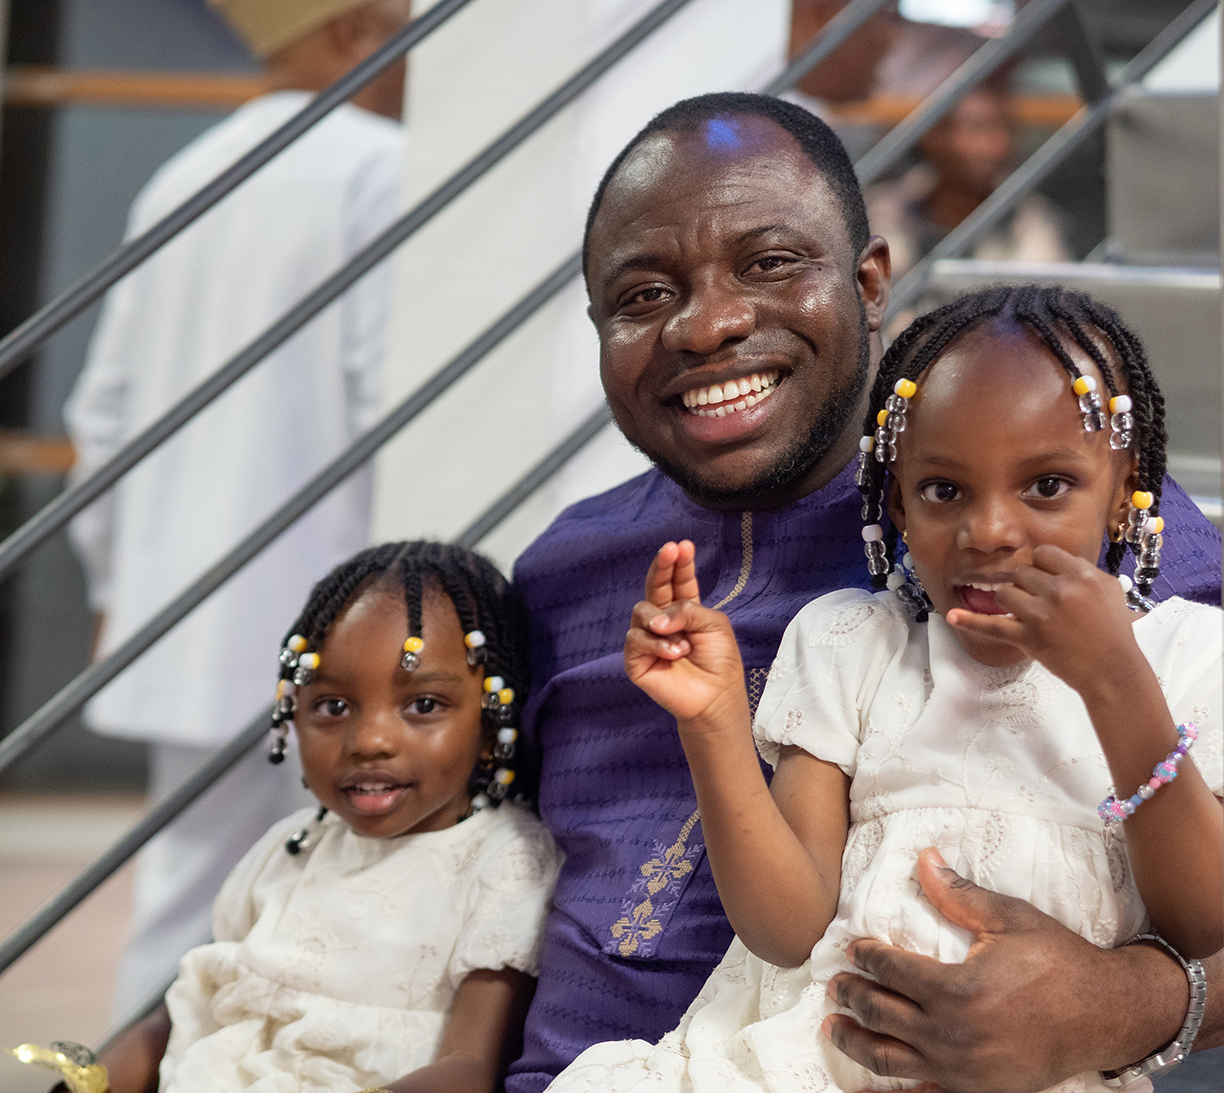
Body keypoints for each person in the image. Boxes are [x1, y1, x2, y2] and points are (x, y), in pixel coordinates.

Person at [505, 92, 1224, 1093]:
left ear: (870, 281)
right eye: (644, 294)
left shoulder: (1114, 564)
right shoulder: (559, 573)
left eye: (768, 264)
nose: (707, 325)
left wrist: (1117, 1004)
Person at [63, 0, 412, 1018]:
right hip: (335, 615)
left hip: (185, 611)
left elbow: (103, 414)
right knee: (330, 903)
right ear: (357, 30)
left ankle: (126, 1074)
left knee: (183, 901)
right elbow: (385, 406)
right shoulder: (380, 168)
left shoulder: (184, 174)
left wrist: (115, 582)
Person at [61, 541, 563, 1093]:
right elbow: (179, 1017)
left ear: (492, 725)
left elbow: (469, 1070)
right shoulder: (290, 849)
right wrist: (86, 1082)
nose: (369, 741)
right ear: (293, 715)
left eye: (423, 705)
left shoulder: (505, 864)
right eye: (332, 707)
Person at [865, 81, 1071, 281]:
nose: (997, 147)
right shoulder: (882, 211)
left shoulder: (1031, 218)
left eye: (1006, 130)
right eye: (978, 129)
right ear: (933, 137)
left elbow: (1041, 292)